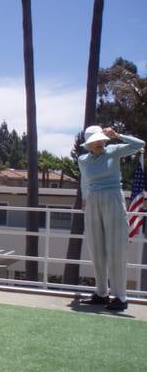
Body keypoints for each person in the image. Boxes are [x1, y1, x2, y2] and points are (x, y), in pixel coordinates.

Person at [78, 125, 145, 311]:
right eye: (94, 141)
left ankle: (121, 297)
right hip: (92, 201)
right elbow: (84, 181)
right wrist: (85, 199)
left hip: (113, 198)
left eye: (100, 139)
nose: (99, 143)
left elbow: (140, 145)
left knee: (116, 249)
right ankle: (101, 293)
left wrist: (118, 135)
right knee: (96, 248)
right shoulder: (83, 159)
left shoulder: (114, 151)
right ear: (88, 144)